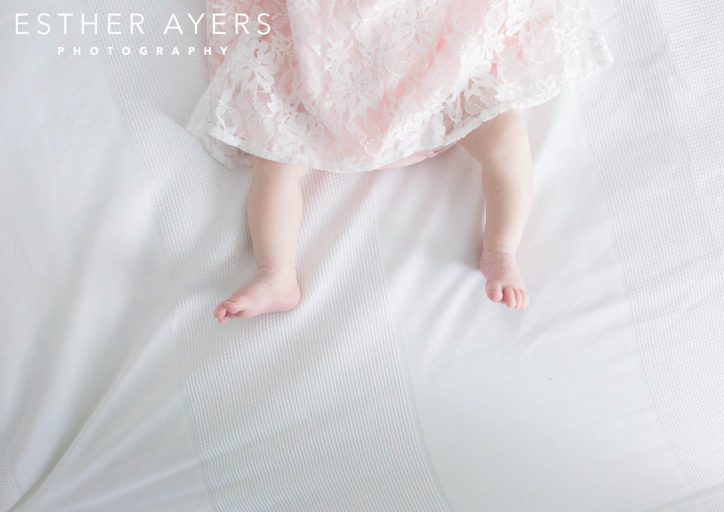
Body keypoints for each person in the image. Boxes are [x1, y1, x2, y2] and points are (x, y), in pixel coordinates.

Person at [186, 0, 614, 322]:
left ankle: (501, 250)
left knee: (504, 132)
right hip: (328, 73)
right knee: (276, 160)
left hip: (435, 65)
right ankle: (275, 274)